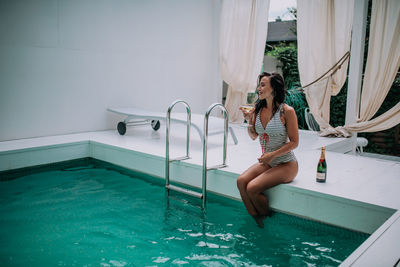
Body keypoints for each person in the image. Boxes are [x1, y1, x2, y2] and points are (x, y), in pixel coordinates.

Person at [237, 72, 298, 227]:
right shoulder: (257, 110)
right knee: (241, 181)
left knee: (251, 188)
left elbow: (294, 142)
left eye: (263, 85)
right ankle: (256, 219)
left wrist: (272, 155)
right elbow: (253, 136)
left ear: (274, 88)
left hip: (286, 164)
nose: (259, 88)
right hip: (268, 161)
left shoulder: (287, 111)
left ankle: (266, 219)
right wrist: (249, 121)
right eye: (259, 84)